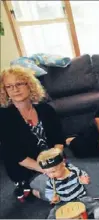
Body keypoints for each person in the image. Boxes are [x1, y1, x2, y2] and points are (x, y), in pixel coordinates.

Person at [0, 66, 65, 202]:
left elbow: (59, 139)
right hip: (26, 167)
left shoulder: (45, 108)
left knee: (74, 179)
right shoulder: (4, 117)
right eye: (9, 86)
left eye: (19, 84)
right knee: (58, 194)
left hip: (49, 159)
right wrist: (47, 169)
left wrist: (55, 158)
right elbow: (17, 156)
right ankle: (28, 187)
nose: (15, 89)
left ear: (29, 84)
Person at [35, 148, 99, 219]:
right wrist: (52, 197)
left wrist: (84, 180)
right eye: (47, 173)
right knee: (53, 212)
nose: (51, 175)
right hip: (63, 201)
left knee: (88, 201)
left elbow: (83, 175)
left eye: (53, 171)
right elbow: (49, 191)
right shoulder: (51, 181)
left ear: (63, 163)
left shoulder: (74, 171)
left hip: (78, 197)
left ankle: (97, 210)